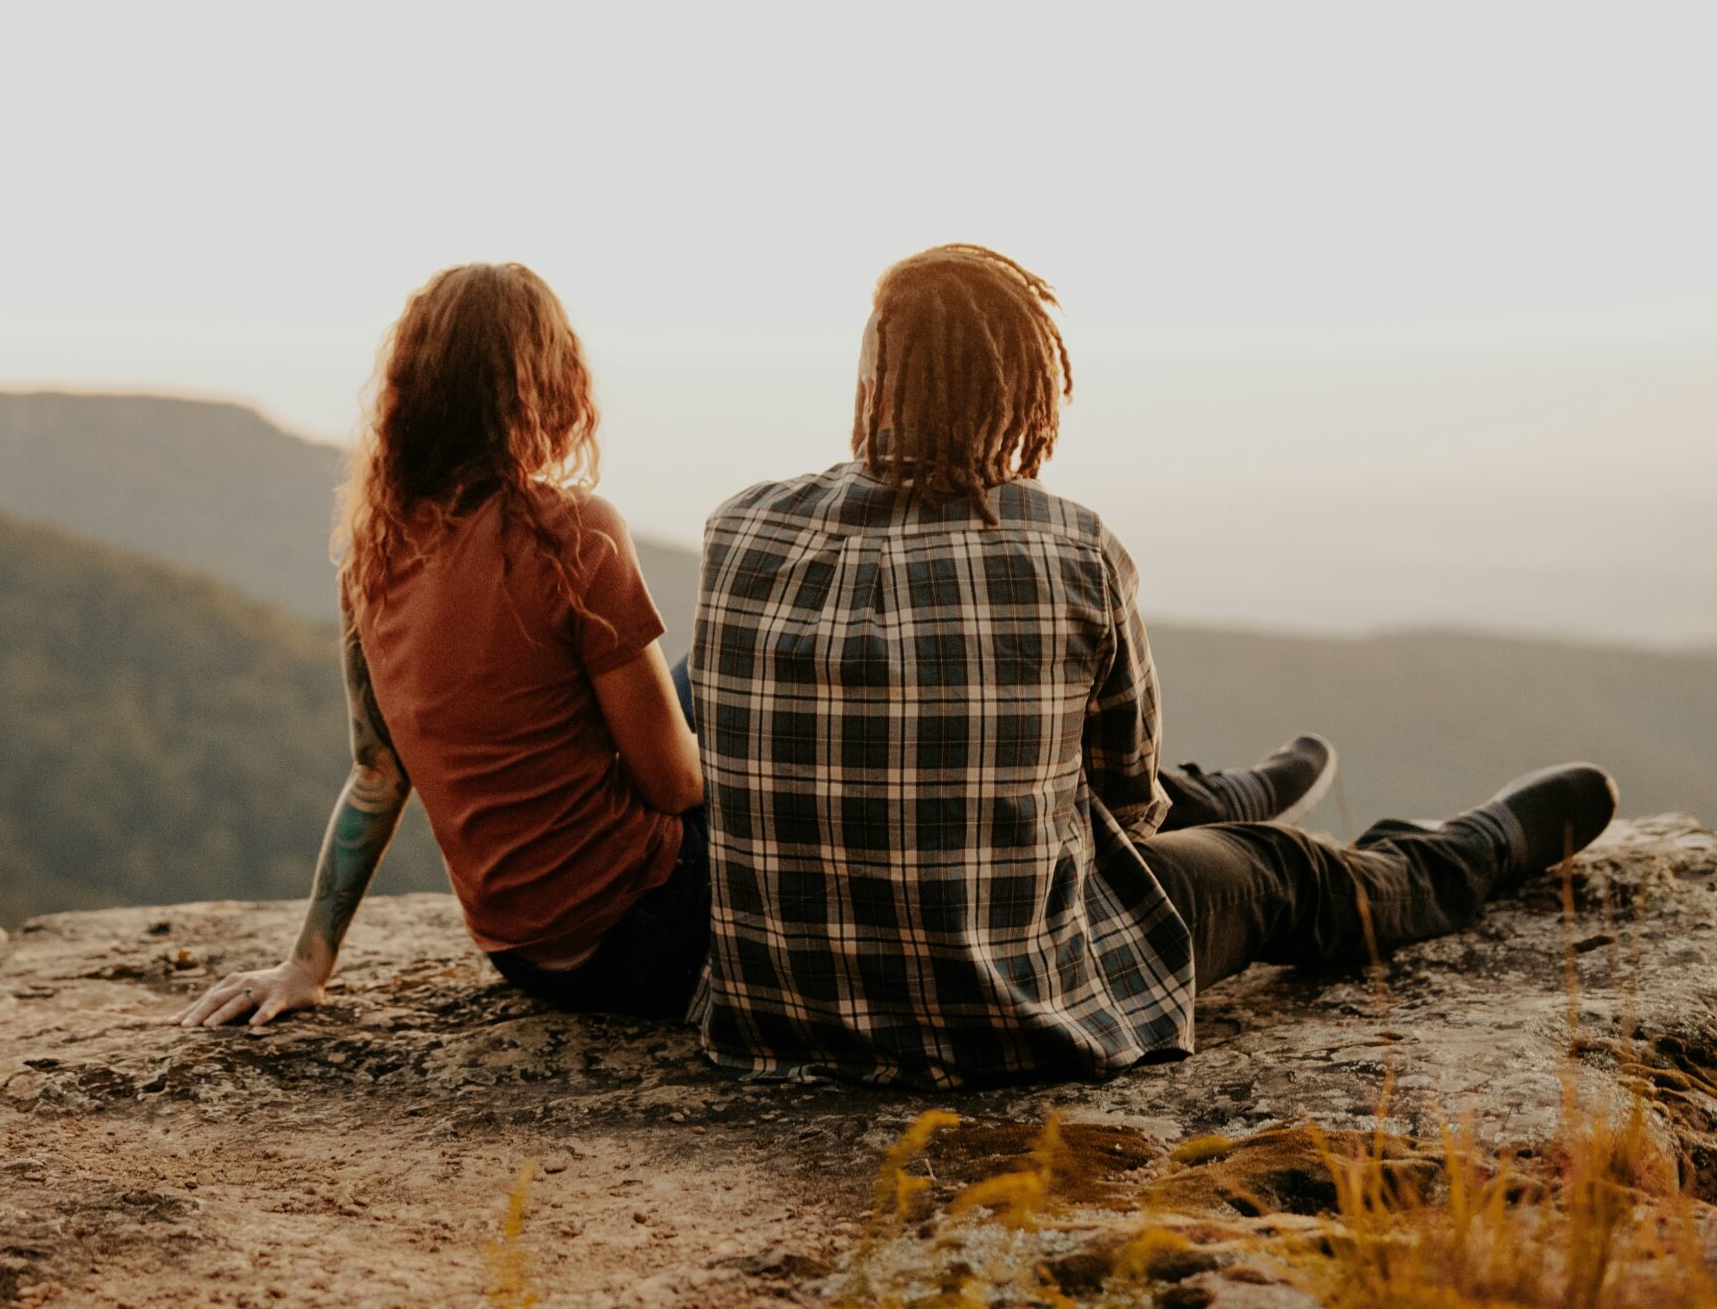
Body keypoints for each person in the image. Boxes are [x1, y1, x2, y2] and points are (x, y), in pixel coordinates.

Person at [691, 243, 1619, 1089]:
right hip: (1011, 1010)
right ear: (1023, 390)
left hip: (781, 1013)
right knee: (1281, 872)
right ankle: (1473, 848)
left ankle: (1235, 788)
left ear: (873, 378)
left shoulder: (739, 526)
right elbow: (1126, 805)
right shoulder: (1068, 545)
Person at [179, 262, 710, 1028]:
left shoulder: (372, 556)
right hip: (645, 939)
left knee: (689, 683)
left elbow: (376, 776)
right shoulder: (575, 533)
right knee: (735, 677)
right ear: (547, 381)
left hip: (523, 955)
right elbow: (676, 787)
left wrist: (307, 963)